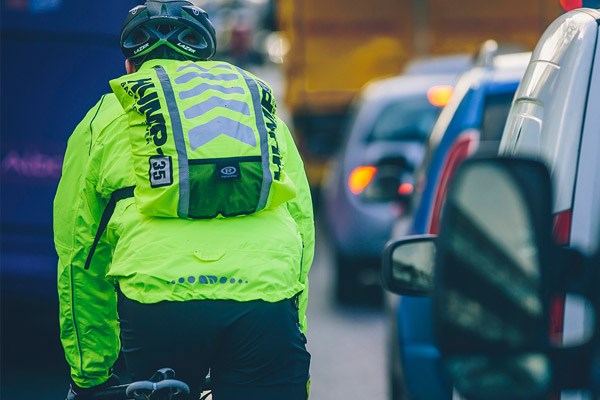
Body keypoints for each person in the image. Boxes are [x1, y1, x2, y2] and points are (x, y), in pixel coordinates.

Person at [54, 1, 314, 399]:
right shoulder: (256, 111)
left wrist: (89, 374)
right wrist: (291, 337)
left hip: (160, 299)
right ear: (205, 60)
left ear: (130, 68)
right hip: (264, 301)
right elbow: (300, 230)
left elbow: (79, 255)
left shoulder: (102, 118)